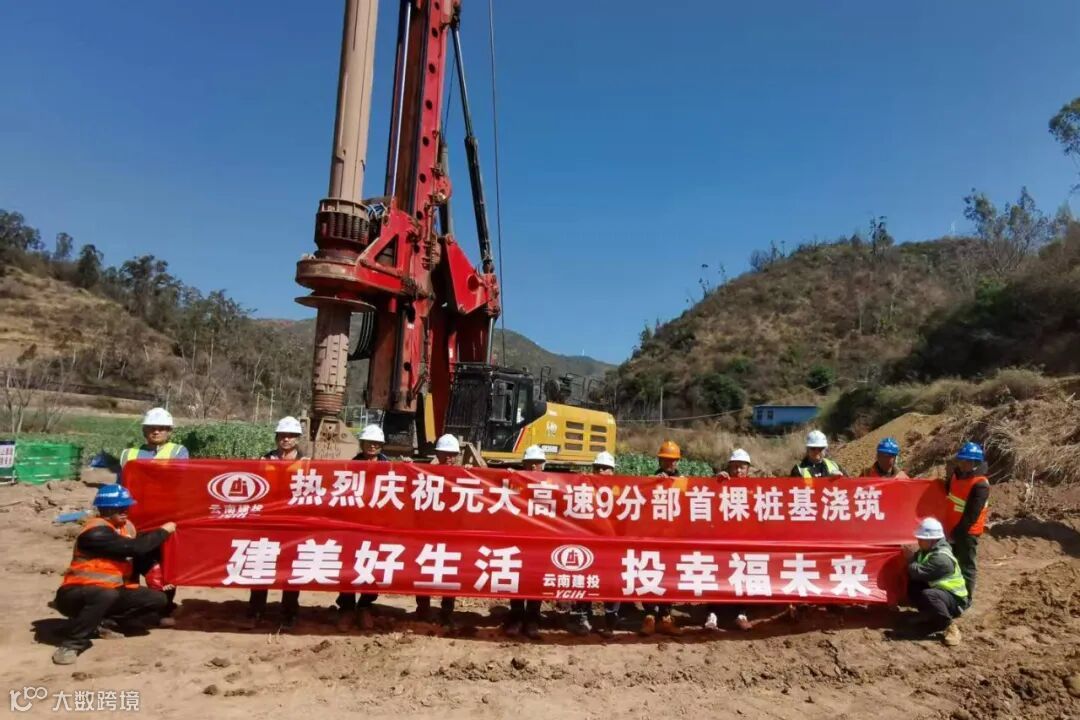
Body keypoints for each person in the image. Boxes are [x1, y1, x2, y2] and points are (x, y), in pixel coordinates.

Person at [51, 485, 177, 665]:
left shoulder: (126, 529)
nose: (125, 511)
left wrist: (161, 581)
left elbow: (142, 555)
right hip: (75, 594)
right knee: (104, 594)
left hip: (110, 591)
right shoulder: (95, 532)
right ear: (106, 509)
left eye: (126, 507)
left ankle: (103, 622)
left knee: (156, 599)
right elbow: (136, 548)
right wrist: (164, 531)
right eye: (119, 508)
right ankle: (72, 644)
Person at [247, 416, 307, 629]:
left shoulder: (307, 462)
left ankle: (289, 612)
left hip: (293, 522)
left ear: (297, 439)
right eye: (282, 435)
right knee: (261, 564)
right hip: (267, 521)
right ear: (276, 437)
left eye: (290, 436)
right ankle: (255, 610)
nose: (286, 439)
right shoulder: (265, 460)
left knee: (291, 567)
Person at [337, 424, 389, 630]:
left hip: (377, 525)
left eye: (376, 443)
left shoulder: (391, 468)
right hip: (354, 524)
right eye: (369, 442)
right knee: (349, 565)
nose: (372, 446)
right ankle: (347, 607)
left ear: (381, 445)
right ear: (362, 443)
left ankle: (365, 605)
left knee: (373, 566)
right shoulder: (351, 466)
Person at [568, 451, 620, 638]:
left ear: (612, 471)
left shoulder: (620, 490)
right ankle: (583, 618)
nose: (601, 471)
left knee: (612, 583)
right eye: (598, 468)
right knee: (585, 579)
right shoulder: (585, 488)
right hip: (589, 543)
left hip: (612, 544)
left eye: (605, 468)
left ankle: (610, 622)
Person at [415, 434, 460, 629]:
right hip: (429, 530)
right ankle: (423, 608)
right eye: (445, 453)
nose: (449, 457)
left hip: (452, 532)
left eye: (452, 454)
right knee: (424, 570)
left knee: (450, 573)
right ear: (438, 454)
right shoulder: (425, 473)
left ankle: (447, 611)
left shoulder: (464, 476)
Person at [707, 448, 754, 632]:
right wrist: (716, 483)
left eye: (742, 467)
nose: (738, 471)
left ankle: (741, 614)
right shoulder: (721, 483)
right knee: (717, 574)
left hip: (744, 539)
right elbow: (705, 500)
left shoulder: (754, 488)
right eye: (734, 467)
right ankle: (712, 614)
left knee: (742, 575)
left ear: (748, 469)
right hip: (722, 538)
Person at [904, 517, 968, 646]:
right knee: (914, 586)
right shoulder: (927, 551)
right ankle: (928, 615)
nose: (918, 541)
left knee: (929, 595)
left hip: (955, 600)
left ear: (932, 540)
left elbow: (916, 572)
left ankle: (949, 626)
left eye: (921, 539)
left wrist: (910, 558)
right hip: (943, 594)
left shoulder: (941, 558)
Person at [641, 441, 683, 636]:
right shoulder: (650, 480)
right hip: (653, 536)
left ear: (677, 461)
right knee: (651, 572)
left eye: (672, 460)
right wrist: (653, 484)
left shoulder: (683, 481)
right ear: (659, 460)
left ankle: (665, 616)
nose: (669, 463)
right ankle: (649, 615)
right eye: (665, 460)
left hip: (674, 537)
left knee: (670, 575)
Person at [505, 445, 547, 639]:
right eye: (529, 464)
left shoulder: (551, 485)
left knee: (535, 581)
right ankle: (516, 617)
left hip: (540, 543)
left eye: (536, 464)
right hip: (519, 541)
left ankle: (532, 619)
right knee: (517, 579)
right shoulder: (517, 482)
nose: (532, 468)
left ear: (543, 465)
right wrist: (507, 478)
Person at [944, 442, 989, 602]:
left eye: (966, 461)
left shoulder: (980, 484)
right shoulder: (956, 476)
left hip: (967, 532)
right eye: (961, 460)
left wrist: (958, 532)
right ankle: (953, 593)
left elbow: (972, 514)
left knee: (966, 566)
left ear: (975, 462)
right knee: (951, 564)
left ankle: (966, 598)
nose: (962, 463)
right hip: (952, 529)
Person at [118, 407, 188, 484]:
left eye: (161, 428)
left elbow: (178, 481)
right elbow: (121, 485)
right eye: (152, 428)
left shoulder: (178, 451)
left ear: (169, 431)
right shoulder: (128, 454)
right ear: (144, 431)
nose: (156, 432)